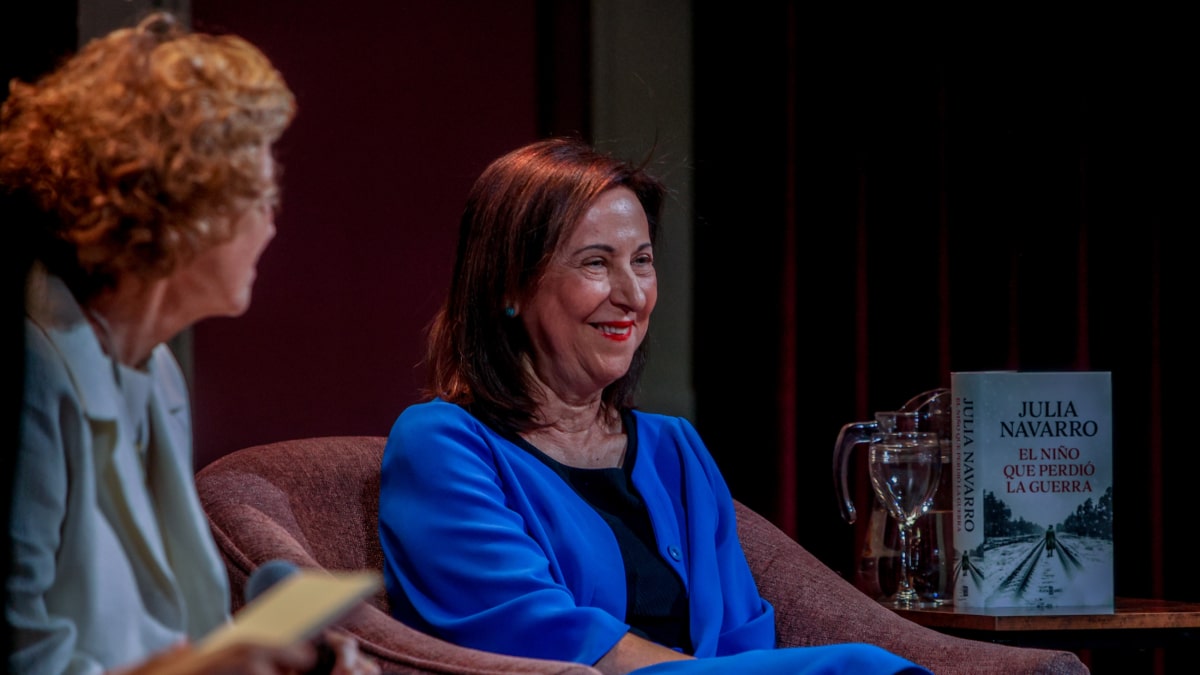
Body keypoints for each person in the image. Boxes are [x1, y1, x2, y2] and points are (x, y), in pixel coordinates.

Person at [377, 137, 932, 675]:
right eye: (596, 263)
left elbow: (742, 635)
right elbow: (538, 635)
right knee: (860, 667)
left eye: (641, 261)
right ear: (509, 287)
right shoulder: (442, 444)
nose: (633, 294)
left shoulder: (675, 449)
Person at [2, 12, 377, 675]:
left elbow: (163, 639)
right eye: (258, 194)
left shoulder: (156, 373)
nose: (271, 221)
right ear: (180, 208)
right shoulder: (34, 377)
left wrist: (271, 658)